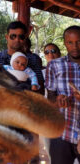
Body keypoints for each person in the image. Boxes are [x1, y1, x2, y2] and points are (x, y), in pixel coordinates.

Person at [45, 25, 80, 164]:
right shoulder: (54, 65)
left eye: (79, 41)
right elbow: (50, 97)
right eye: (70, 42)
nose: (75, 46)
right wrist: (58, 100)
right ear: (65, 43)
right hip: (62, 132)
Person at [0, 21, 44, 95]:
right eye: (13, 36)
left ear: (25, 38)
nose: (17, 40)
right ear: (7, 37)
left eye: (21, 37)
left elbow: (40, 87)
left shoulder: (33, 59)